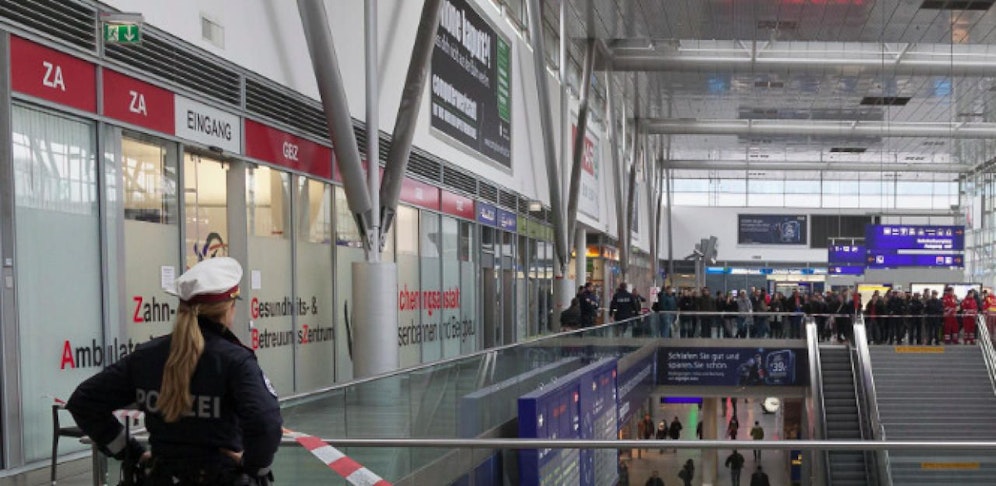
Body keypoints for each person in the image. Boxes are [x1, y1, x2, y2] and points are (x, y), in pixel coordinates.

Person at [66, 257, 283, 485]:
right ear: (229, 309)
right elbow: (265, 423)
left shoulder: (146, 356)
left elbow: (84, 401)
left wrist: (132, 452)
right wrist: (254, 466)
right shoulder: (236, 361)